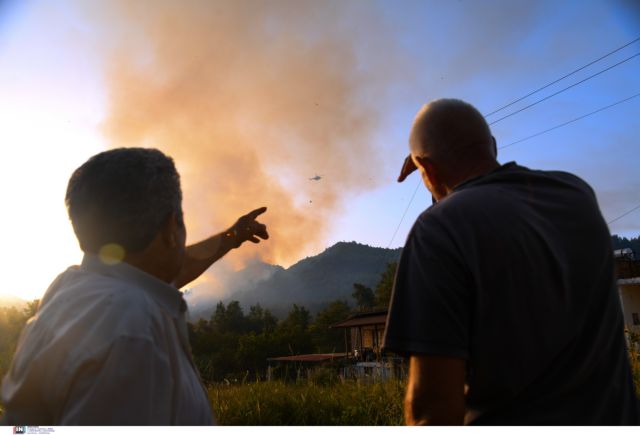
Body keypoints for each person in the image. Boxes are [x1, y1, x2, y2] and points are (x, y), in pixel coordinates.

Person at [383, 98, 640, 425]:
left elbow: (432, 411)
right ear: (492, 145)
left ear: (427, 169)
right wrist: (434, 172)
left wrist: (431, 171)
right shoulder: (576, 194)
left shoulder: (438, 230)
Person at [1, 148, 269, 425]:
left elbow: (167, 271)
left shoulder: (72, 288)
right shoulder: (134, 333)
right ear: (170, 228)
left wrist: (231, 237)